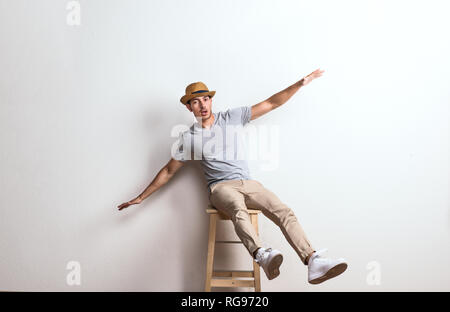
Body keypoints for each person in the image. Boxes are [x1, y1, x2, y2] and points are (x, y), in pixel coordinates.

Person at [117, 69, 347, 284]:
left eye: (205, 99)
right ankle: (261, 254)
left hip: (249, 182)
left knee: (283, 210)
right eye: (195, 102)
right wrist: (141, 197)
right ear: (190, 108)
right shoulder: (189, 138)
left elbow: (271, 103)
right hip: (220, 188)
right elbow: (168, 171)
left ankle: (312, 260)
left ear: (210, 100)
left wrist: (300, 83)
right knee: (239, 209)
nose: (202, 105)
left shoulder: (232, 117)